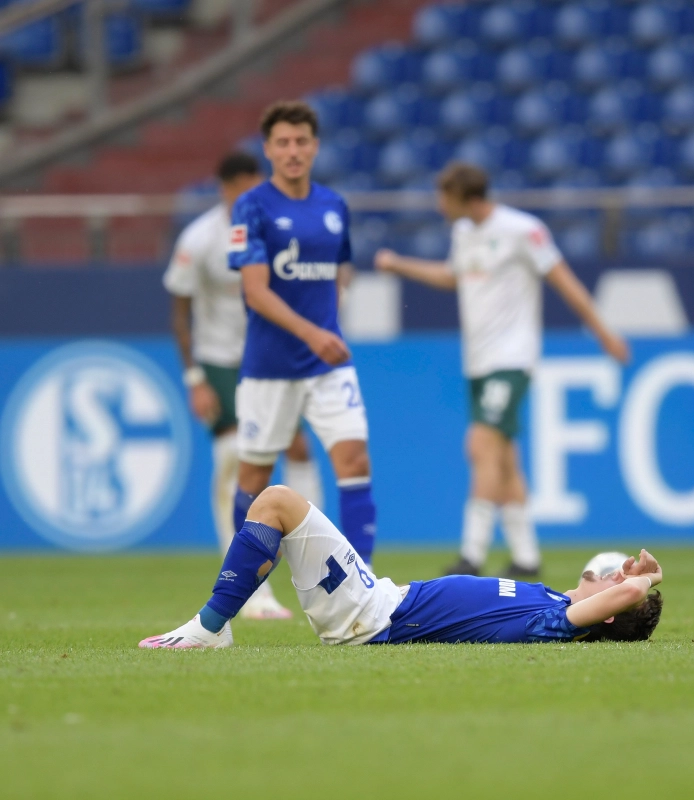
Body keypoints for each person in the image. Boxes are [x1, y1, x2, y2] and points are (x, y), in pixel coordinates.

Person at [374, 162, 630, 579]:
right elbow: (451, 276)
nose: (439, 205)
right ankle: (526, 556)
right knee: (504, 457)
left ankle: (471, 555)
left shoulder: (522, 230)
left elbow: (564, 280)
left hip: (511, 358)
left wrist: (604, 332)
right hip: (477, 361)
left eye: (445, 197)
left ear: (467, 197)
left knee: (480, 446)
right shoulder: (462, 233)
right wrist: (399, 265)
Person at [138, 485, 663, 649]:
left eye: (617, 580)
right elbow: (621, 597)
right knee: (279, 514)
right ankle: (216, 623)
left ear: (609, 614)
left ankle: (210, 628)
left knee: (276, 502)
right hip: (379, 600)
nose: (616, 573)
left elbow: (628, 597)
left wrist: (645, 581)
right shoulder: (551, 602)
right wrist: (632, 581)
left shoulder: (557, 624)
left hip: (373, 615)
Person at [163, 152, 323, 620]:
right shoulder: (198, 240)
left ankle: (315, 558)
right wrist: (194, 378)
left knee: (297, 449)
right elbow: (179, 312)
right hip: (222, 363)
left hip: (271, 358)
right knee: (236, 461)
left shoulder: (278, 227)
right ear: (227, 188)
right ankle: (249, 587)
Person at [228, 101, 380, 569]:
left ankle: (365, 583)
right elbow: (255, 292)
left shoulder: (334, 205)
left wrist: (330, 321)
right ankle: (249, 586)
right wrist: (314, 332)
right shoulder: (251, 207)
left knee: (354, 460)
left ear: (314, 147)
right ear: (269, 149)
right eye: (283, 142)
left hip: (327, 366)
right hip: (270, 367)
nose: (293, 150)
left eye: (301, 141)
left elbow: (341, 268)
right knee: (255, 474)